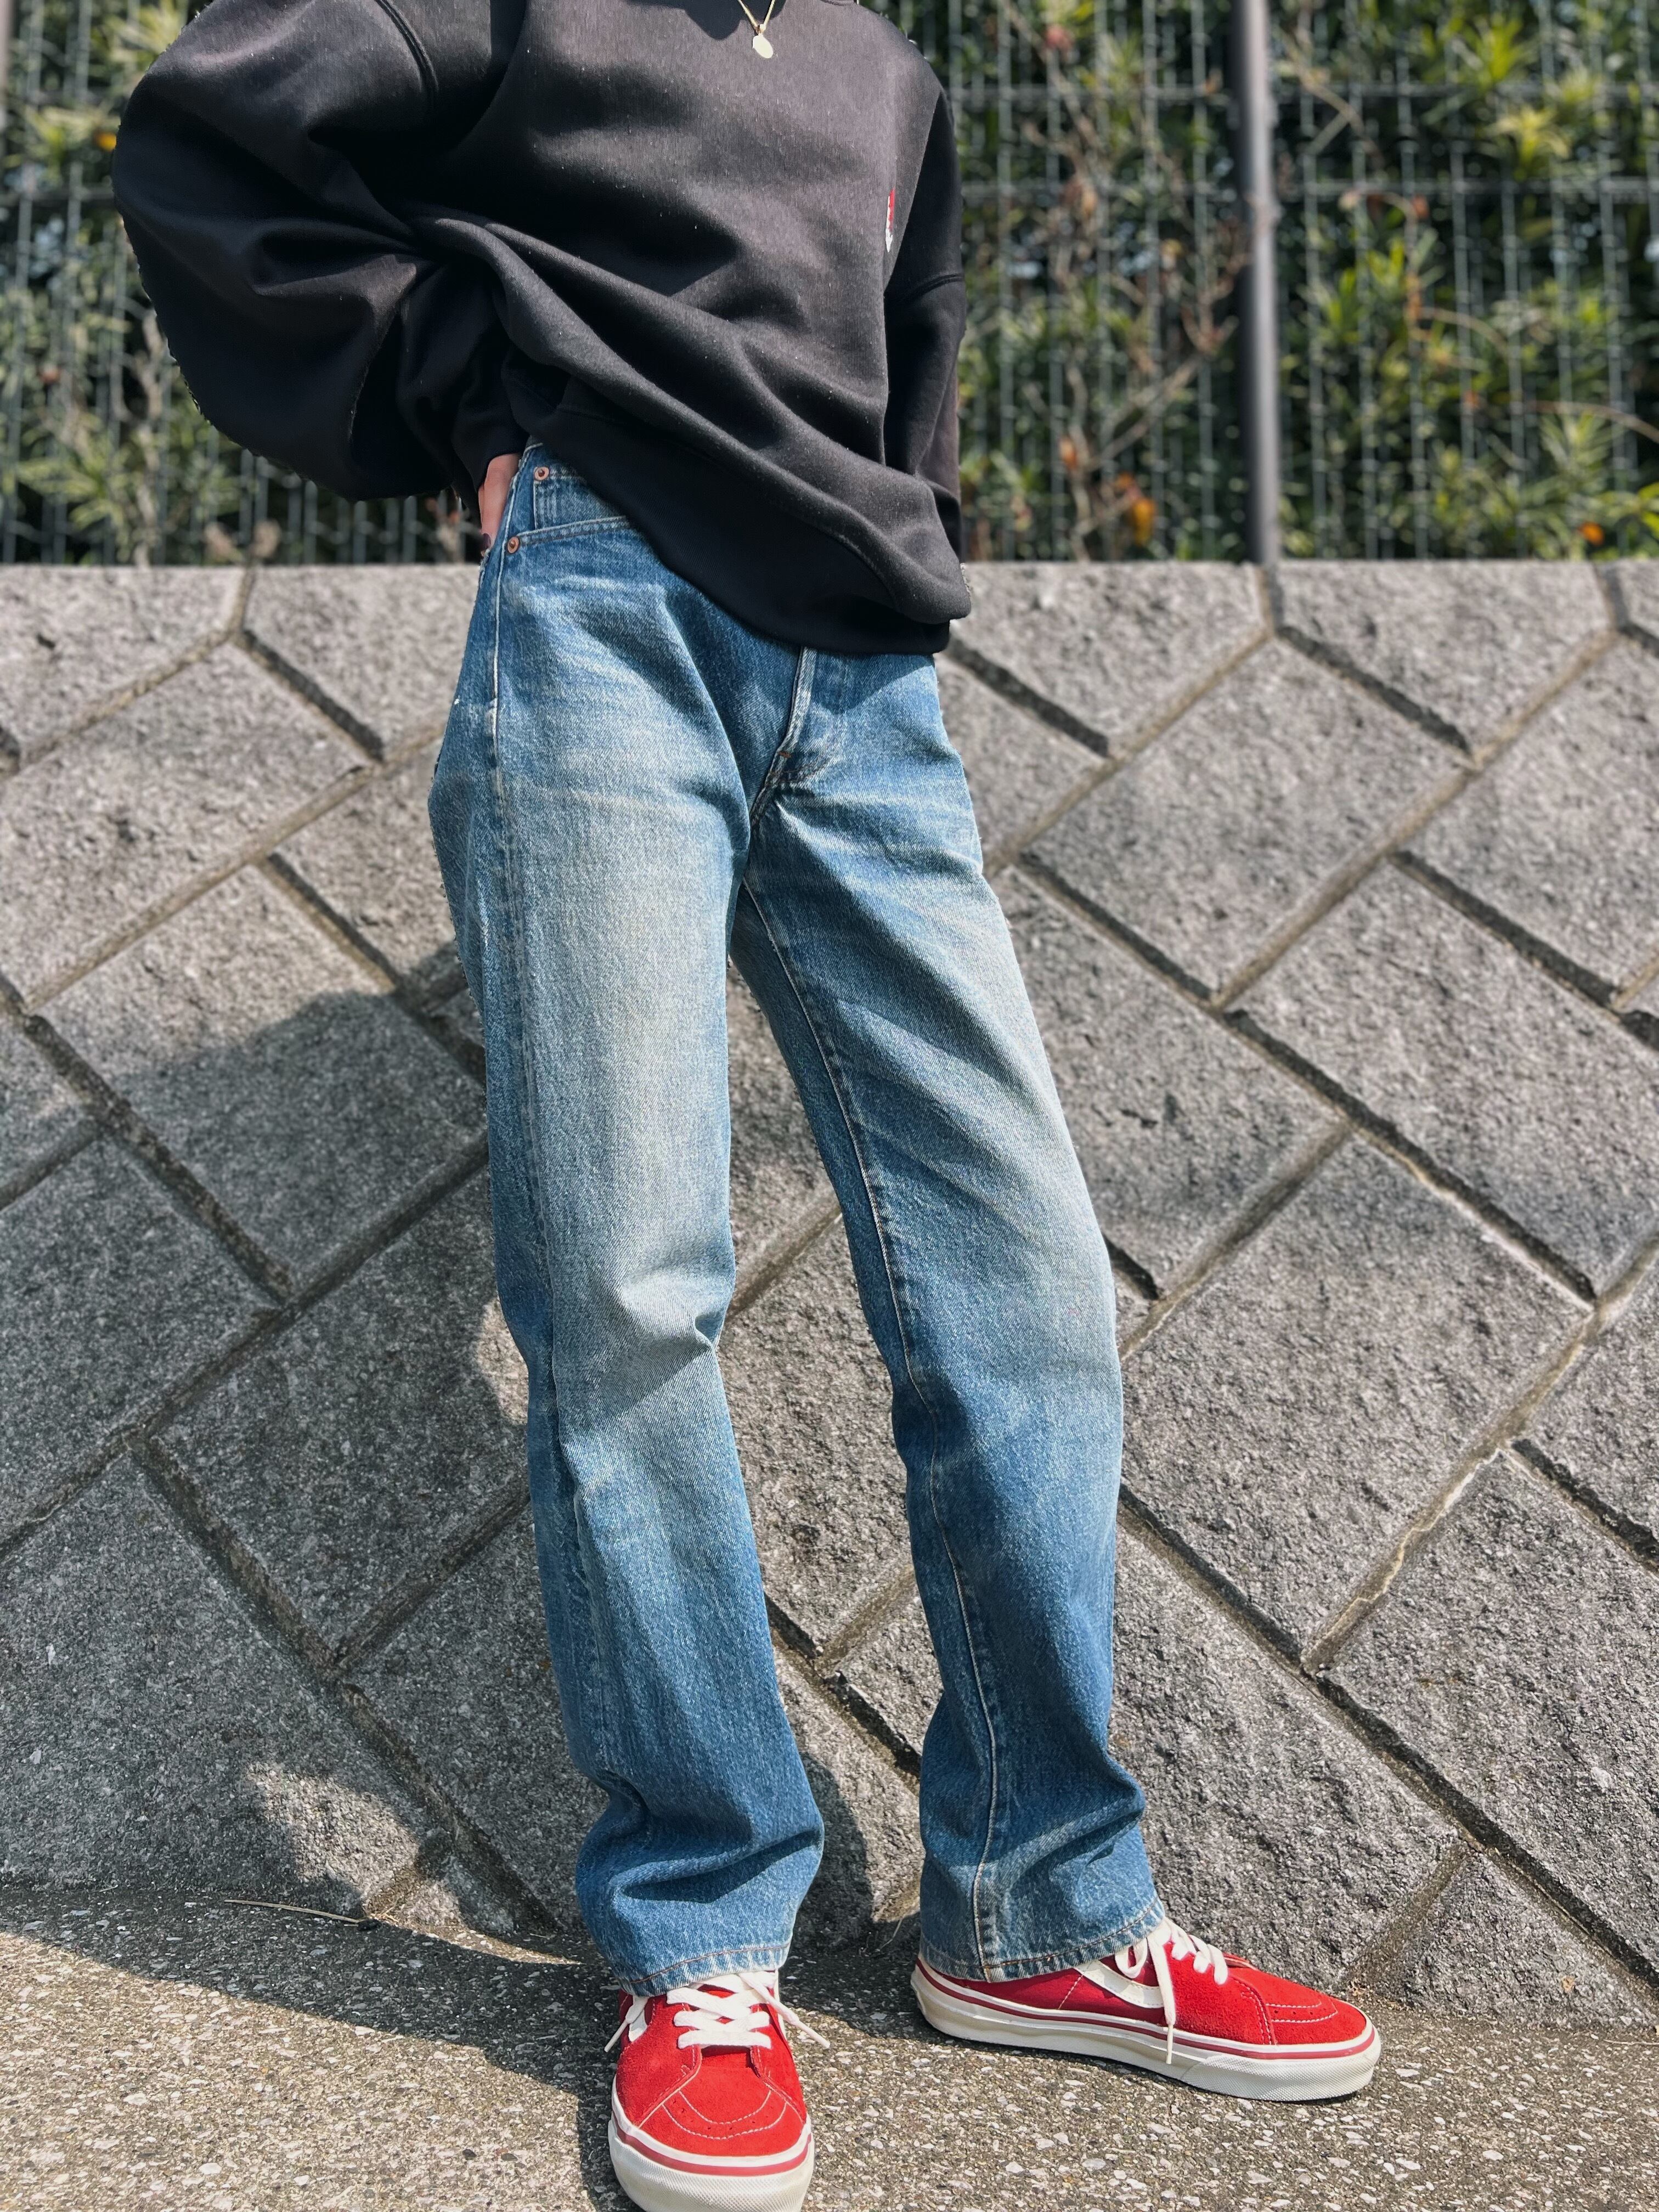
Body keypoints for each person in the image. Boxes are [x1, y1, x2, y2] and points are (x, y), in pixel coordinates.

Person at [114, 2, 1379, 2204]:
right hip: (602, 611)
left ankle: (1042, 1908)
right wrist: (469, 390)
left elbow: (917, 352)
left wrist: (906, 526)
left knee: (1026, 1292)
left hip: (867, 687)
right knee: (628, 1293)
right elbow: (214, 135)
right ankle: (701, 1940)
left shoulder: (888, 73)